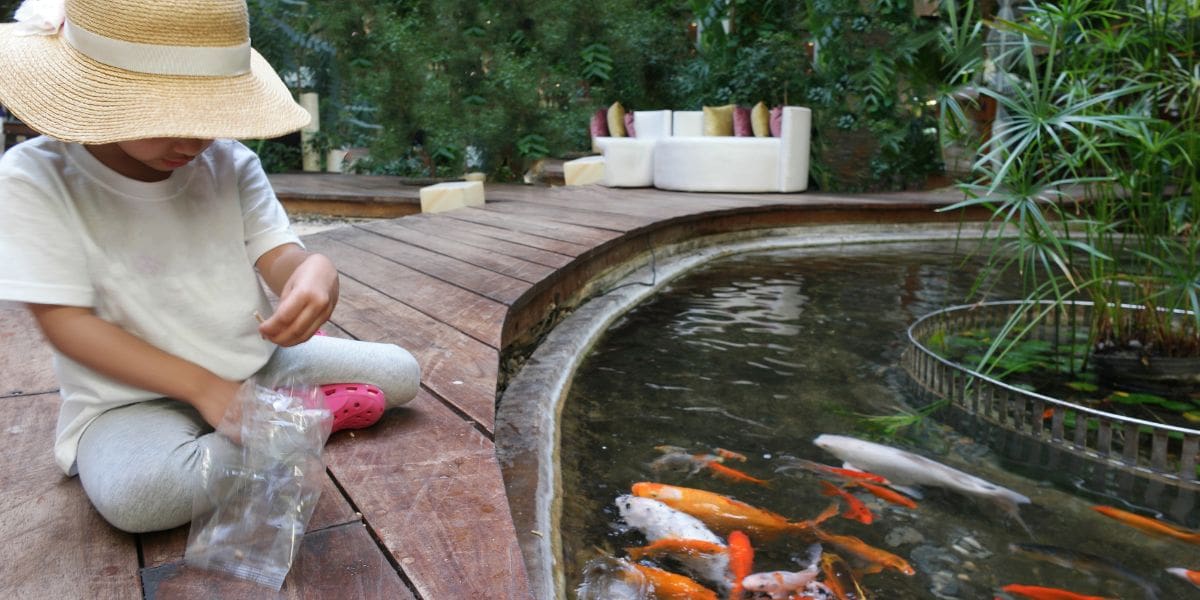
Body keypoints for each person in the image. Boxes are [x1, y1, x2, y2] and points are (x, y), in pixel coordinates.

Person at [0, 0, 421, 533]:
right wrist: (201, 387)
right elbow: (67, 324)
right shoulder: (36, 178)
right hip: (130, 399)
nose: (195, 140)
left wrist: (314, 271)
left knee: (401, 373)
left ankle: (275, 420)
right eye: (172, 115)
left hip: (252, 363)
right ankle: (293, 427)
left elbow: (278, 258)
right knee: (140, 497)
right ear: (102, 92)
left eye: (211, 114)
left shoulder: (229, 163)